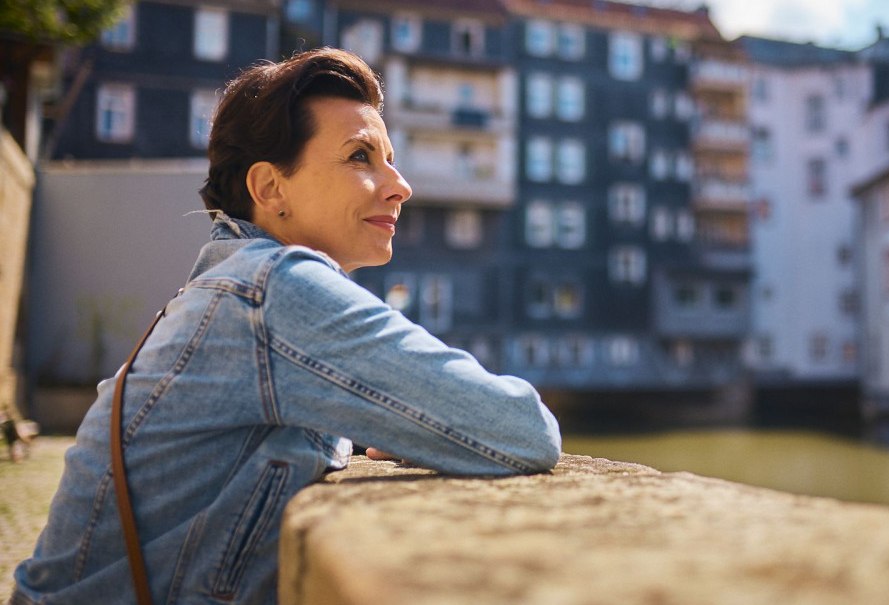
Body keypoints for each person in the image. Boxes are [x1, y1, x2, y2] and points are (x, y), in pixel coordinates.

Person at [11, 48, 561, 604]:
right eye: (360, 157)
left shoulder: (223, 288)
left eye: (390, 158)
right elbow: (523, 430)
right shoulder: (276, 286)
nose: (400, 185)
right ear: (271, 188)